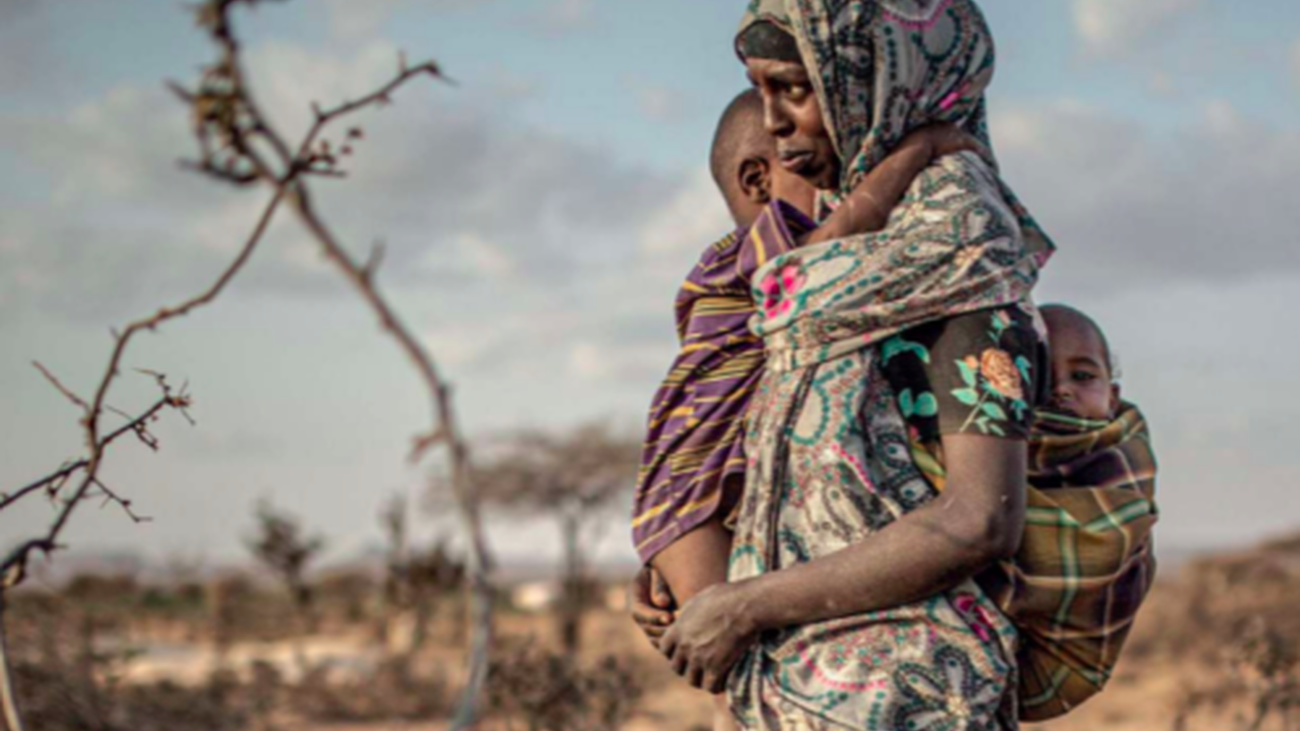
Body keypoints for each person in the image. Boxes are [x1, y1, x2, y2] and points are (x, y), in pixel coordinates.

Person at [647, 2, 1058, 729]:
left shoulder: (960, 256)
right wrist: (701, 567)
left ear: (876, 82)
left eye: (794, 89)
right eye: (760, 89)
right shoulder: (836, 253)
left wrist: (744, 604)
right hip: (802, 692)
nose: (772, 119)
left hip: (912, 698)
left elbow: (977, 519)